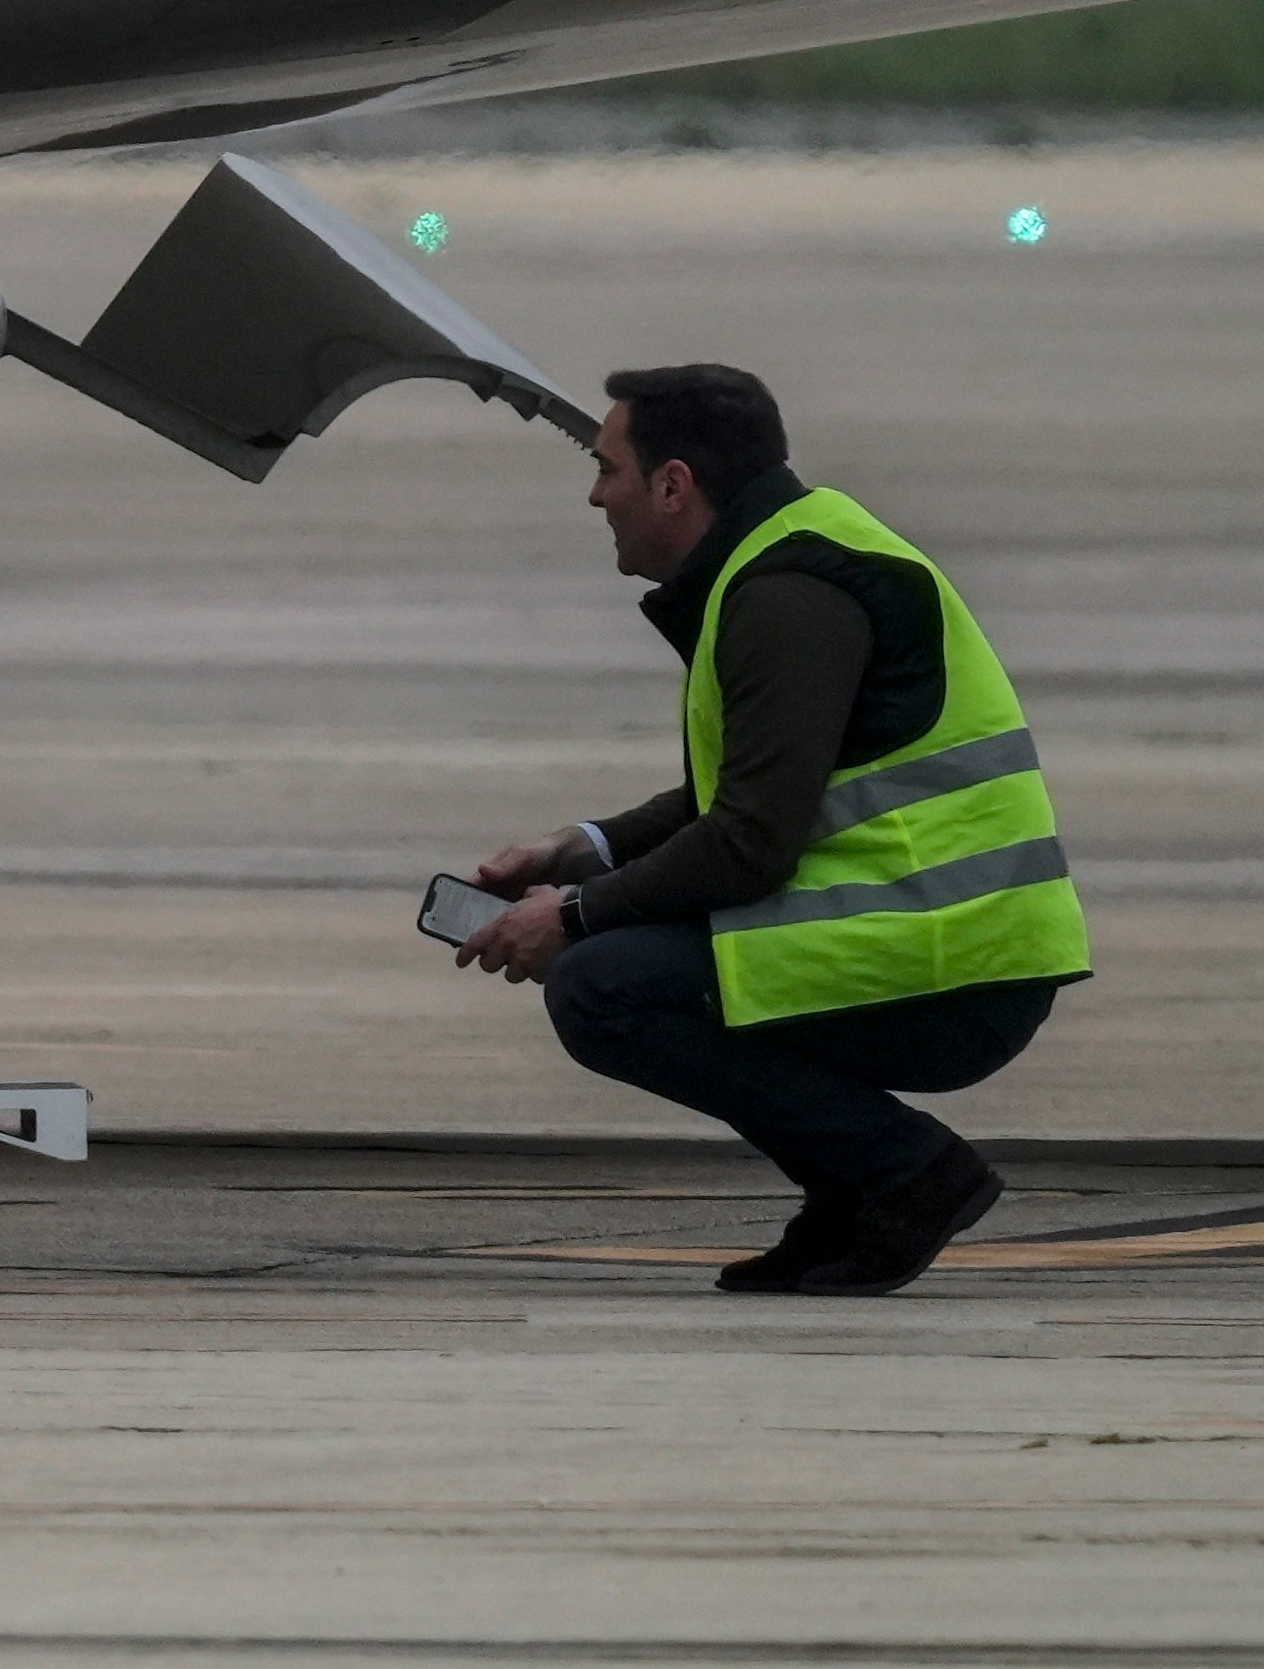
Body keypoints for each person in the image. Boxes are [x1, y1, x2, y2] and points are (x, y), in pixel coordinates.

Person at [448, 361, 1088, 1295]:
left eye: (608, 468)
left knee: (602, 986)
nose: (595, 496)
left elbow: (749, 842)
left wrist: (575, 912)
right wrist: (582, 848)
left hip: (946, 958)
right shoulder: (787, 556)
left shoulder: (789, 593)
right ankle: (852, 1190)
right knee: (616, 959)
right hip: (933, 937)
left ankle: (903, 1170)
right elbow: (751, 790)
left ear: (674, 484)